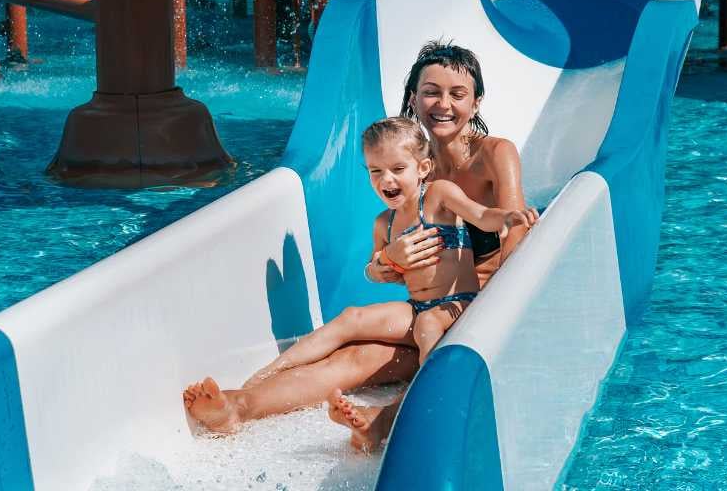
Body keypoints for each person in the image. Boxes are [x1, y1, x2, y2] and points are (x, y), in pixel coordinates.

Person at [184, 42, 531, 450]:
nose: (443, 103)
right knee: (355, 354)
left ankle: (381, 421)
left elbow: (516, 231)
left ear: (476, 103)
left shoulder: (493, 154)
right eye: (430, 91)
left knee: (399, 355)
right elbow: (386, 259)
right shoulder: (408, 162)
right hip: (429, 308)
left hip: (481, 306)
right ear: (414, 99)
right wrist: (387, 261)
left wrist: (496, 315)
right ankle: (238, 405)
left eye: (457, 94)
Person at [241, 117, 536, 391]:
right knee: (351, 317)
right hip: (417, 307)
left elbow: (482, 216)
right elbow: (376, 268)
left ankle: (435, 394)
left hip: (457, 304)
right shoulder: (384, 223)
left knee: (428, 324)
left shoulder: (439, 195)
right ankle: (270, 372)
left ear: (422, 169)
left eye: (398, 169)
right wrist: (378, 267)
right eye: (376, 171)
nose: (386, 180)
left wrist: (507, 218)